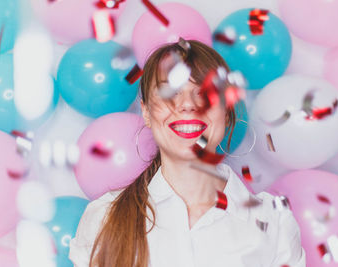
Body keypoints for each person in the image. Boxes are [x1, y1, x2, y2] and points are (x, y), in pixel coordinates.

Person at [68, 39, 305, 267]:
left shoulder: (274, 222)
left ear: (226, 110)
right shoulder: (103, 218)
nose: (188, 105)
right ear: (146, 112)